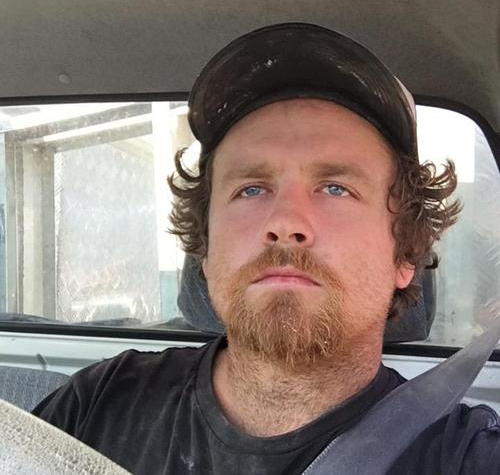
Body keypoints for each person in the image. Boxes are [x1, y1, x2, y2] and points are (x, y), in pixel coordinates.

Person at [32, 23, 500, 474]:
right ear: (205, 252)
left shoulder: (464, 456)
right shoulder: (99, 403)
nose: (284, 223)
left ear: (405, 255)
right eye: (251, 189)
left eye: (336, 188)